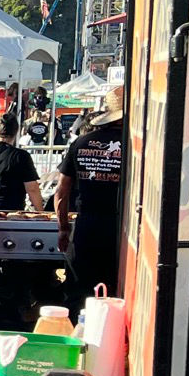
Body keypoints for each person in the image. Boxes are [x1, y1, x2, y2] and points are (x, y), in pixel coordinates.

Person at [58, 88, 127, 299]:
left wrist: (63, 228)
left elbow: (61, 190)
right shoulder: (134, 146)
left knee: (80, 289)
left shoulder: (80, 143)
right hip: (120, 227)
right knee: (112, 290)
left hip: (86, 225)